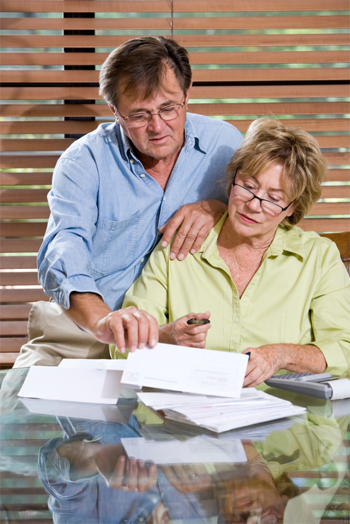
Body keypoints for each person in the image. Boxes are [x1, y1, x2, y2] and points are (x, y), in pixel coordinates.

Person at [13, 36, 242, 368]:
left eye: (169, 108)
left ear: (187, 94)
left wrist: (220, 208)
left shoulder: (226, 145)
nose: (158, 126)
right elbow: (64, 247)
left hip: (181, 341)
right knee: (22, 410)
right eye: (139, 115)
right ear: (115, 111)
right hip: (88, 333)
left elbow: (269, 214)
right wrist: (103, 322)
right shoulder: (83, 161)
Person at [121, 118, 350, 387]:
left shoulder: (318, 258)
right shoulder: (179, 246)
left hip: (284, 416)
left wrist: (280, 356)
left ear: (292, 206)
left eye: (273, 199)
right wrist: (167, 336)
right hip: (186, 415)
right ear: (232, 180)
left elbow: (344, 349)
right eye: (248, 186)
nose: (253, 205)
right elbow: (122, 347)